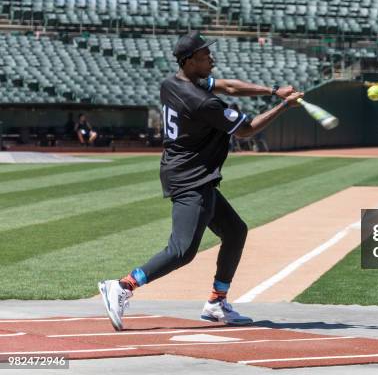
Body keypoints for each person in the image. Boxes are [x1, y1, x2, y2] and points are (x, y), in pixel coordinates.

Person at [98, 31, 303, 331]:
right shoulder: (201, 102)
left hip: (188, 171)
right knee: (182, 250)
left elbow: (228, 86)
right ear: (191, 60)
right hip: (190, 176)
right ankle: (123, 286)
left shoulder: (174, 83)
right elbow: (246, 129)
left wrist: (273, 90)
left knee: (235, 232)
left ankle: (216, 302)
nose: (212, 60)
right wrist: (285, 106)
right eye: (206, 56)